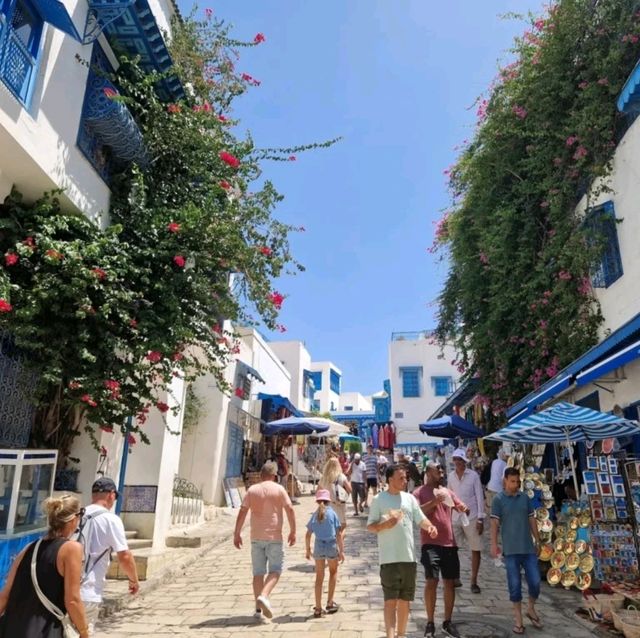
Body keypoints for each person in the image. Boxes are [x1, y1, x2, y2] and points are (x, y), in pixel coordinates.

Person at [0, 494, 89, 637]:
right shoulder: (72, 549)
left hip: (11, 628)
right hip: (45, 630)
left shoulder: (28, 548)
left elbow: (5, 595)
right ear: (73, 519)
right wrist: (84, 632)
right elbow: (72, 600)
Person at [367, 464, 437, 638]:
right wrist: (385, 525)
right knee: (390, 601)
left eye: (406, 478)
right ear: (390, 480)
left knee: (405, 601)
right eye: (401, 478)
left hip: (408, 558)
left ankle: (401, 634)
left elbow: (420, 519)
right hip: (389, 558)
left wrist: (431, 527)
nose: (405, 481)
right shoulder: (378, 500)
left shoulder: (409, 499)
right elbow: (370, 526)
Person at [233, 461, 296, 620]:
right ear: (274, 475)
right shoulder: (279, 489)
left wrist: (237, 533)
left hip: (256, 537)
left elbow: (243, 510)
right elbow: (290, 509)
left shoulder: (252, 490)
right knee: (275, 570)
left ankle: (258, 611)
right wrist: (293, 531)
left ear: (261, 475)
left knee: (258, 573)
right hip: (274, 536)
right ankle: (264, 595)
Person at [414, 461, 468, 638]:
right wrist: (434, 502)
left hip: (449, 543)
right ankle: (430, 622)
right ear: (428, 472)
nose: (441, 472)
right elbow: (417, 513)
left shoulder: (447, 491)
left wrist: (463, 508)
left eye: (441, 469)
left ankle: (447, 621)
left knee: (449, 583)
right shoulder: (419, 492)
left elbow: (460, 505)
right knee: (431, 581)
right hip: (430, 543)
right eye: (437, 469)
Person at [80, 477, 139, 636]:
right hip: (88, 589)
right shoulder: (111, 520)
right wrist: (133, 580)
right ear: (111, 495)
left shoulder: (77, 514)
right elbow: (124, 556)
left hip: (67, 587)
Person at [491, 467, 543, 635]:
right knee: (515, 586)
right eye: (512, 481)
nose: (515, 485)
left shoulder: (525, 498)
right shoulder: (498, 500)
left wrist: (537, 539)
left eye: (517, 482)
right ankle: (519, 621)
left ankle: (531, 608)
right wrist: (494, 544)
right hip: (511, 551)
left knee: (535, 583)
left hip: (528, 548)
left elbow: (531, 518)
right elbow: (494, 524)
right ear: (505, 480)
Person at [448, 449, 485, 594]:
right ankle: (455, 576)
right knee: (452, 549)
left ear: (464, 461)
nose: (458, 462)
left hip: (472, 516)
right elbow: (449, 496)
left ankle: (473, 581)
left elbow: (479, 496)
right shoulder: (451, 476)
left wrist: (481, 518)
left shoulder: (473, 476)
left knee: (476, 548)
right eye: (456, 459)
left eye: (460, 459)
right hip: (456, 517)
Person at [305, 489, 344, 618]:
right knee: (333, 572)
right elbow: (338, 534)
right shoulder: (332, 513)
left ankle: (317, 608)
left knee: (319, 577)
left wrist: (307, 549)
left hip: (318, 546)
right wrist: (342, 551)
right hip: (331, 545)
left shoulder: (314, 515)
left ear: (317, 501)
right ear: (329, 500)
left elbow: (308, 534)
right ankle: (330, 602)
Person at [319, 457, 352, 541]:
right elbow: (350, 490)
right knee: (343, 526)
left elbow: (318, 492)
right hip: (339, 505)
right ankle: (340, 543)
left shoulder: (324, 478)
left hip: (327, 506)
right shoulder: (341, 476)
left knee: (331, 526)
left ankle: (333, 545)